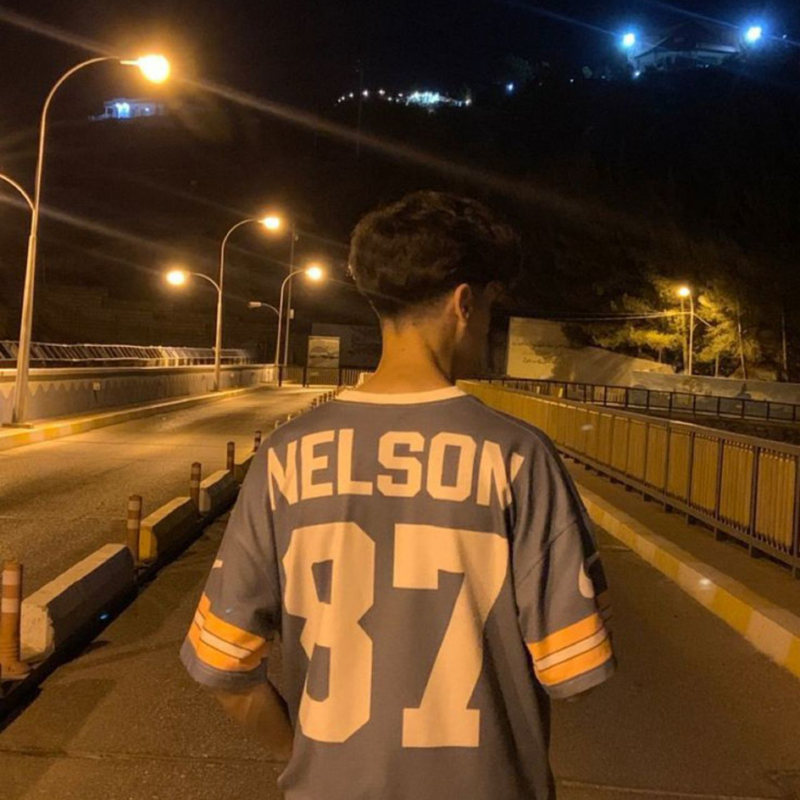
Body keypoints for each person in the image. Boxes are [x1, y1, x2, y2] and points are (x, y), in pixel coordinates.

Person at [181, 191, 615, 799]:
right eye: (491, 305)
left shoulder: (284, 453)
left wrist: (305, 759)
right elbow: (574, 666)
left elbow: (224, 665)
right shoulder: (518, 455)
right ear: (465, 303)